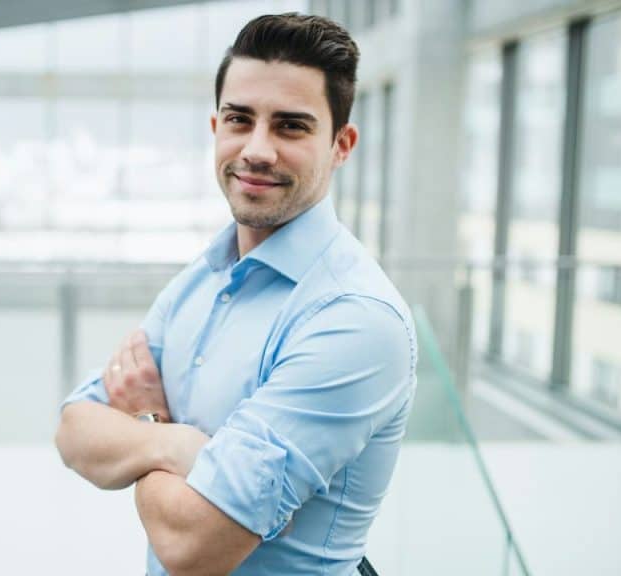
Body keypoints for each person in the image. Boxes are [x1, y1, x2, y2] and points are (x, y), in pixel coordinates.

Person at [54, 13, 416, 576]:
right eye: (239, 120)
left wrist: (146, 423)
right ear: (216, 127)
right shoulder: (204, 278)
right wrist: (178, 446)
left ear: (341, 145)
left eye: (290, 127)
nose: (257, 149)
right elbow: (75, 431)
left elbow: (192, 545)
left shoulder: (355, 318)